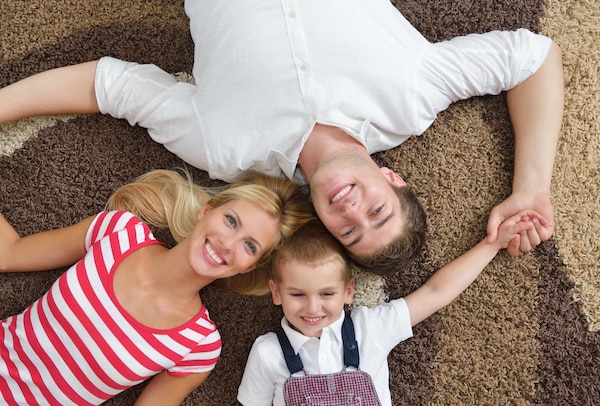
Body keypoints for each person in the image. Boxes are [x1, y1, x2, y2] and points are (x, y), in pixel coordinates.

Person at [0, 0, 564, 275]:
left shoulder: (224, 151)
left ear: (324, 223)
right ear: (393, 179)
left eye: (348, 230)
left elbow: (111, 85)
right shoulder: (414, 96)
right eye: (378, 210)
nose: (354, 211)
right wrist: (531, 187)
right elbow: (533, 59)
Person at [0, 169, 313, 406]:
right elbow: (9, 254)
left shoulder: (199, 347)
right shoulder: (118, 231)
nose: (227, 244)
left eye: (249, 246)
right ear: (207, 212)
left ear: (249, 267)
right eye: (230, 221)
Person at [236, 212, 547, 406]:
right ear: (276, 292)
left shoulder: (370, 328)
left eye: (327, 294)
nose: (313, 308)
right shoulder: (268, 353)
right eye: (297, 294)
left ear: (348, 292)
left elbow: (436, 292)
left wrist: (492, 245)